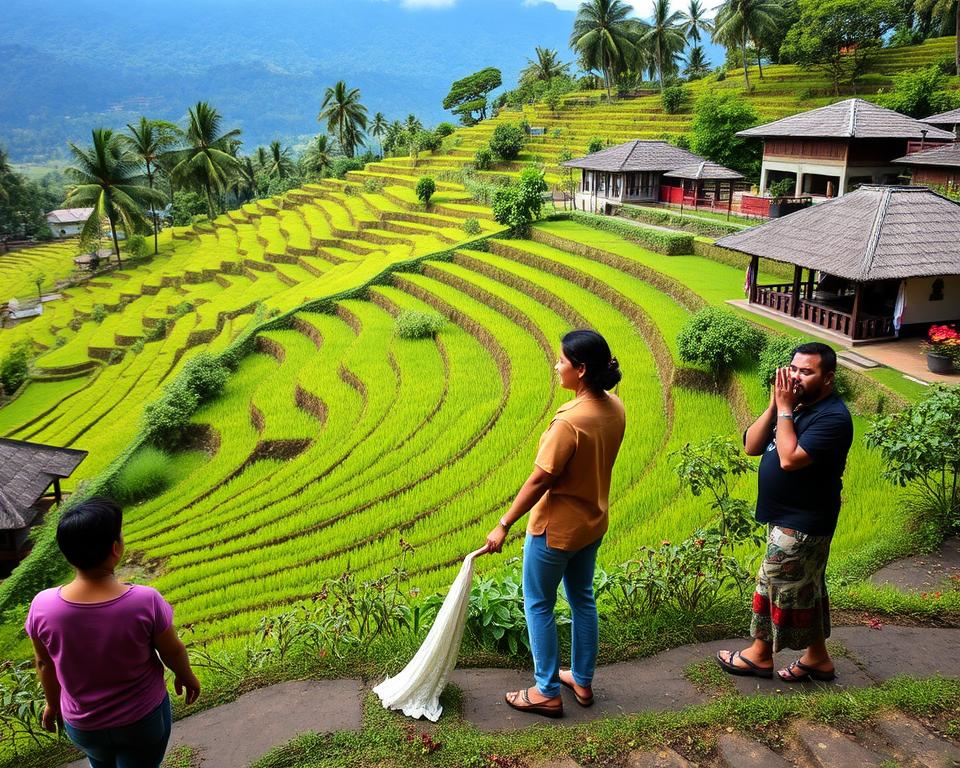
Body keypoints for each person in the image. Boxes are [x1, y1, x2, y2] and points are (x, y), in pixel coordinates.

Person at [484, 329, 625, 718]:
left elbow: (540, 479)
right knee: (582, 598)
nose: (556, 366)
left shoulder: (569, 422)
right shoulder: (614, 407)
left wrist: (504, 523)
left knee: (539, 604)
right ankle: (581, 678)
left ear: (580, 370)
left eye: (561, 361)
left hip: (555, 531)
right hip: (592, 523)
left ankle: (546, 690)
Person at [26, 498, 201, 768]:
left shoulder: (43, 606)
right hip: (141, 719)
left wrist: (52, 704)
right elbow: (172, 649)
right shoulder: (144, 600)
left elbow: (44, 663)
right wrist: (186, 675)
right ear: (116, 549)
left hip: (84, 726)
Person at [716, 342, 853, 683]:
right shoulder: (795, 407)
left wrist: (786, 410)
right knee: (805, 587)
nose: (796, 376)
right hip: (786, 516)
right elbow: (751, 446)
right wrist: (775, 405)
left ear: (828, 378)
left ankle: (759, 655)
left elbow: (789, 459)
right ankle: (818, 658)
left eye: (807, 372)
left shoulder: (833, 417)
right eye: (794, 369)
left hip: (804, 522)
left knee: (772, 583)